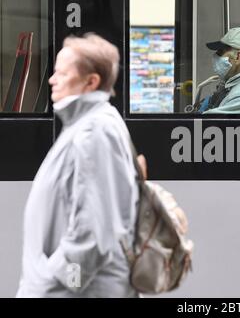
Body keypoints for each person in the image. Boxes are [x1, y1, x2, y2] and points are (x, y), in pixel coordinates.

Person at [16, 33, 146, 298]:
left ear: (91, 82)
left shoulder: (95, 132)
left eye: (62, 73)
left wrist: (56, 284)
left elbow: (94, 233)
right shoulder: (86, 126)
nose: (52, 80)